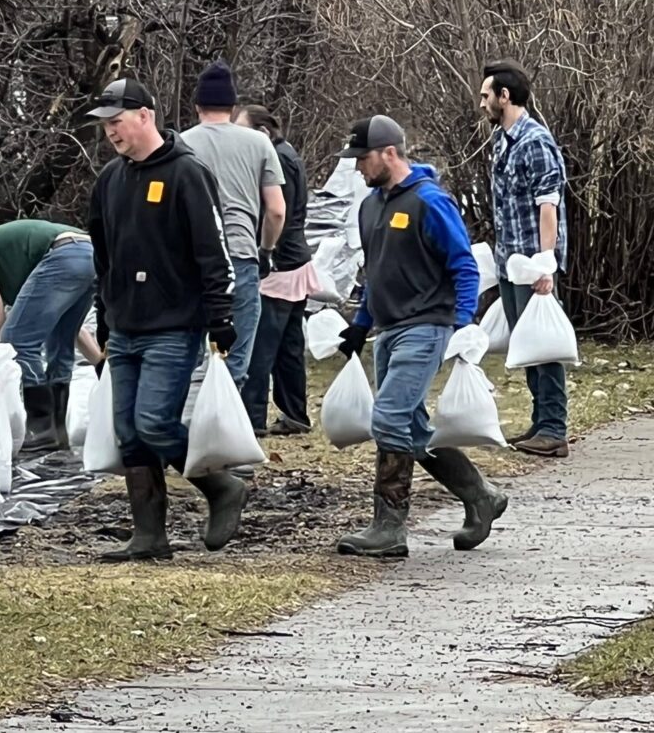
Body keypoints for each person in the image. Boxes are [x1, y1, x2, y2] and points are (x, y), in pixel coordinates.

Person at [86, 76, 248, 562]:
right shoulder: (110, 181)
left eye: (117, 122)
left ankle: (221, 487)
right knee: (129, 433)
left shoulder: (185, 173)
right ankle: (149, 534)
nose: (111, 133)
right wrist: (105, 321)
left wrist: (221, 314)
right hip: (126, 324)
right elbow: (103, 258)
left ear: (145, 116)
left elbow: (212, 250)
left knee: (155, 423)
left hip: (175, 324)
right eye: (106, 126)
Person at [333, 115, 508, 558]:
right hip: (388, 330)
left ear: (389, 153)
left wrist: (463, 321)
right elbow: (376, 272)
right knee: (411, 428)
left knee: (389, 419)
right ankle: (480, 496)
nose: (358, 169)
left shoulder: (430, 202)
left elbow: (464, 266)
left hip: (426, 326)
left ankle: (389, 528)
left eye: (363, 159)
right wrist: (360, 323)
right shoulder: (371, 206)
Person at [0, 219, 97, 452]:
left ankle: (41, 431)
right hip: (92, 254)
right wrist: (101, 362)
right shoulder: (16, 263)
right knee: (60, 339)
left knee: (18, 341)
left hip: (63, 253)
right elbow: (73, 331)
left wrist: (5, 343)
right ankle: (57, 431)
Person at [481, 60, 570, 458]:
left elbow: (547, 204)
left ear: (505, 96)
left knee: (543, 344)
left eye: (487, 95)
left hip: (532, 263)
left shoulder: (535, 141)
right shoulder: (503, 139)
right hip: (510, 262)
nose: (481, 103)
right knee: (526, 343)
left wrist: (545, 264)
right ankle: (540, 422)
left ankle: (554, 428)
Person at [180, 61, 286, 386]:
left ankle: (186, 430)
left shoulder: (180, 144)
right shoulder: (260, 144)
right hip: (240, 256)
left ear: (197, 105)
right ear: (233, 106)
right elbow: (277, 211)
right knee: (234, 359)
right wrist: (266, 250)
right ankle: (225, 428)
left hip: (189, 261)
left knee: (189, 356)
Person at [235, 104, 319, 436]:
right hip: (294, 261)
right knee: (288, 346)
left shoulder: (276, 159)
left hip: (279, 264)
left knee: (261, 346)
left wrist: (264, 252)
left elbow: (276, 213)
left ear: (262, 133)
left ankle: (252, 420)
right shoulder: (288, 154)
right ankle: (295, 413)